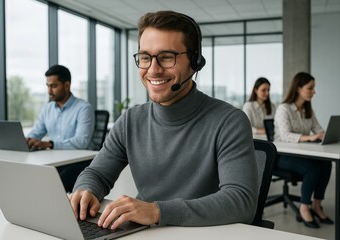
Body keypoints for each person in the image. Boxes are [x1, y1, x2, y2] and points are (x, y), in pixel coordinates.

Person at [69, 11, 258, 230]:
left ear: (195, 62)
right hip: (144, 232)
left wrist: (157, 211)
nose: (153, 69)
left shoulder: (229, 121)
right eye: (145, 57)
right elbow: (97, 173)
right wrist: (86, 190)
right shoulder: (131, 120)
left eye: (167, 57)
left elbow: (241, 201)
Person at [274, 72, 333, 228]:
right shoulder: (283, 109)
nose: (314, 91)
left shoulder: (308, 110)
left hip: (300, 154)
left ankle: (317, 205)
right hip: (282, 156)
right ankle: (304, 207)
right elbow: (285, 135)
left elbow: (318, 129)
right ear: (299, 88)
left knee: (326, 164)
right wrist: (310, 138)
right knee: (312, 169)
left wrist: (324, 134)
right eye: (310, 88)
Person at [26, 64, 95, 192]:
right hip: (55, 160)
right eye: (48, 86)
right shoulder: (48, 109)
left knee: (54, 183)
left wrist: (49, 144)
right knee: (30, 175)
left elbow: (82, 141)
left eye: (54, 86)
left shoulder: (83, 108)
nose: (49, 91)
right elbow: (36, 132)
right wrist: (28, 140)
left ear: (67, 85)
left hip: (79, 162)